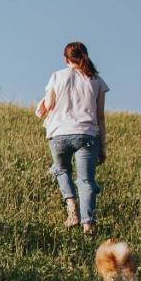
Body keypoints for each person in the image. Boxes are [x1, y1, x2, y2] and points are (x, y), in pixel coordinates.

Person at [35, 42, 109, 233]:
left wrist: (43, 103)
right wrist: (103, 146)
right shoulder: (97, 81)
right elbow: (100, 116)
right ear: (86, 56)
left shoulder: (57, 76)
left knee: (61, 170)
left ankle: (72, 210)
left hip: (59, 133)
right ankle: (88, 224)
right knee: (86, 181)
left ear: (66, 59)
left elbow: (49, 104)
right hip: (88, 135)